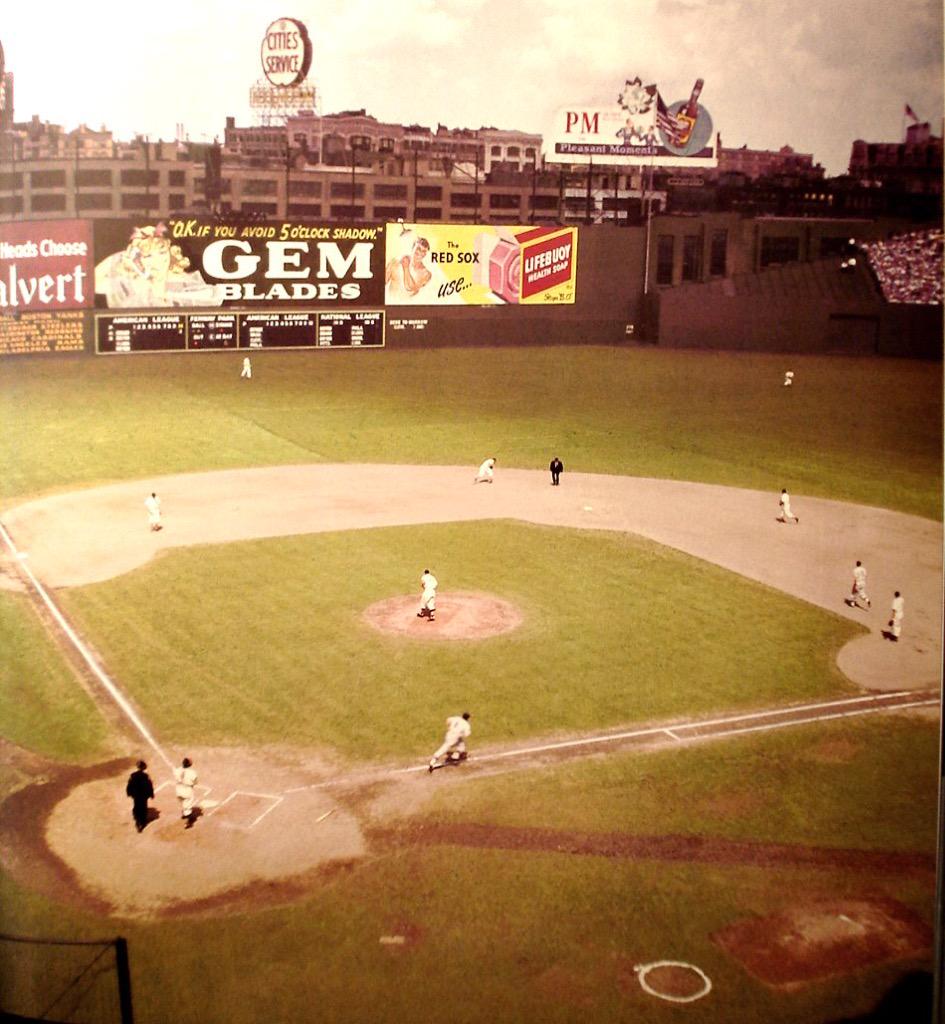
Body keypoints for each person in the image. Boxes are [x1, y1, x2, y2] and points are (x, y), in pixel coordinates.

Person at [125, 760, 154, 833]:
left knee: (137, 806)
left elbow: (129, 785)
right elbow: (149, 786)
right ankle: (142, 822)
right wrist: (151, 794)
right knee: (143, 807)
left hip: (136, 795)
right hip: (143, 795)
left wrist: (129, 793)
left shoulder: (133, 775)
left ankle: (137, 822)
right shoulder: (145, 776)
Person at [174, 757, 199, 827]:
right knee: (188, 806)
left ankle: (184, 814)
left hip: (178, 790)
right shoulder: (192, 772)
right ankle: (189, 822)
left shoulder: (177, 770)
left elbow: (176, 775)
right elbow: (195, 782)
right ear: (190, 764)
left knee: (183, 802)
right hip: (187, 790)